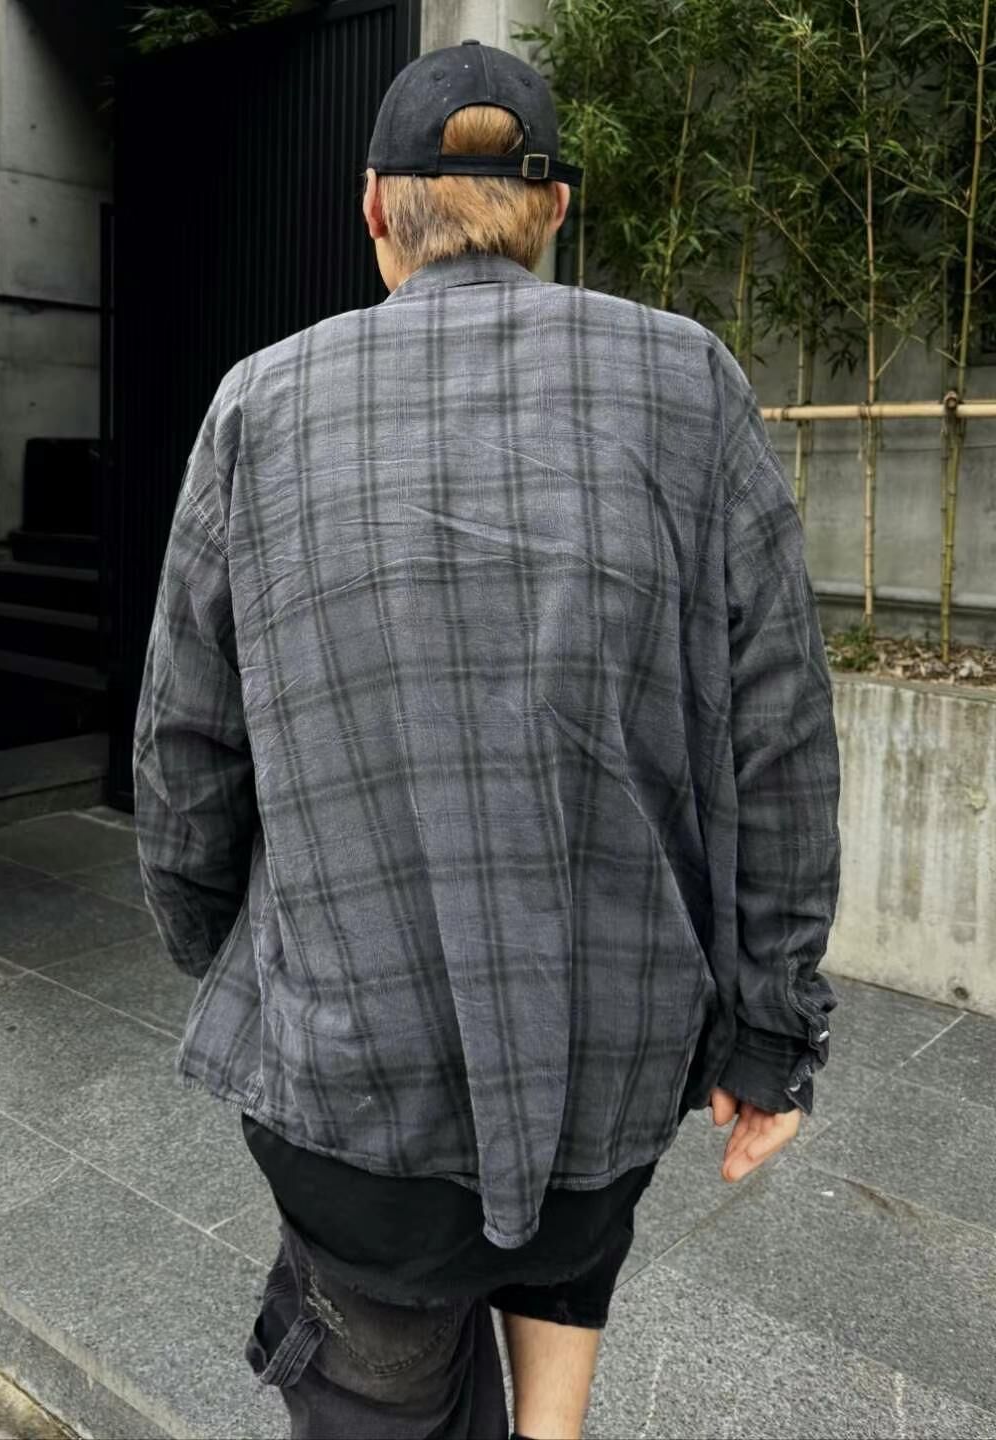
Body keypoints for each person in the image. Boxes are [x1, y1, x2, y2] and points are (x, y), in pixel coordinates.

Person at [133, 38, 841, 1440]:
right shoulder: (688, 384)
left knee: (380, 1392)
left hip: (354, 1082)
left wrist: (222, 943)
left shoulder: (257, 406)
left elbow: (186, 751)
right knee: (571, 1228)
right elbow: (779, 732)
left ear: (374, 208)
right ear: (553, 210)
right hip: (613, 1058)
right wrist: (771, 1030)